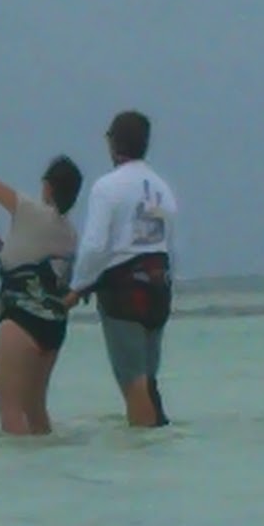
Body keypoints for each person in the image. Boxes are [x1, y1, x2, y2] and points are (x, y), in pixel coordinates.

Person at [61, 110, 179, 428]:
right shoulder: (163, 188)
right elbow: (167, 243)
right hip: (159, 287)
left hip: (124, 291)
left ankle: (142, 446)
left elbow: (95, 246)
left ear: (113, 144)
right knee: (149, 378)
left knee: (132, 380)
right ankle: (158, 440)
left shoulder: (107, 187)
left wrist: (76, 288)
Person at [0, 155, 83, 436]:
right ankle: (45, 457)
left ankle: (16, 461)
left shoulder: (32, 212)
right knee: (34, 408)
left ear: (47, 186)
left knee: (8, 406)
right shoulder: (70, 233)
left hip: (22, 318)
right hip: (54, 326)